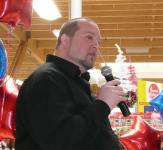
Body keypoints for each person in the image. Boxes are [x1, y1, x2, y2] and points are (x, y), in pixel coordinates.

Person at [15, 17, 127, 150]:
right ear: (65, 40)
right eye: (89, 37)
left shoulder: (76, 82)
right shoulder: (46, 79)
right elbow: (58, 140)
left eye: (99, 42)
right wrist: (102, 105)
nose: (96, 46)